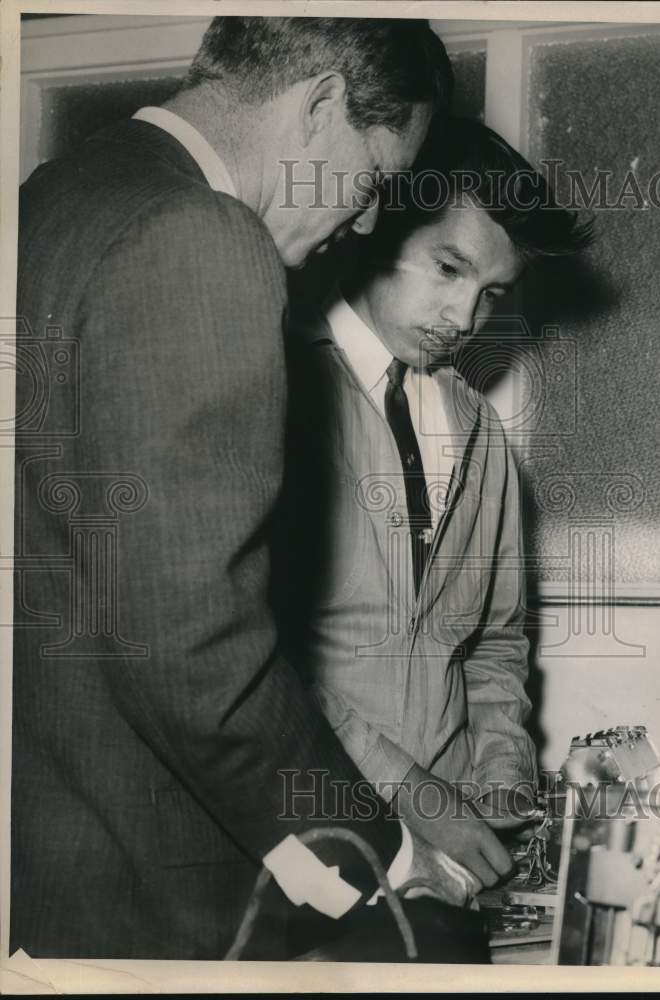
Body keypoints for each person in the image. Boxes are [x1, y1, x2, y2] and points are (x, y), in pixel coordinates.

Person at [11, 16, 477, 962]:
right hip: (146, 895)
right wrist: (379, 851)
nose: (369, 222)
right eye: (376, 180)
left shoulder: (51, 197)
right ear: (318, 105)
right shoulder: (203, 235)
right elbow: (192, 640)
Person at [280, 118, 593, 887]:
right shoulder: (278, 389)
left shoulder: (479, 428)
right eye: (446, 268)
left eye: (489, 293)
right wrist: (406, 789)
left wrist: (500, 771)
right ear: (374, 231)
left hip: (447, 846)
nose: (463, 320)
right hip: (310, 824)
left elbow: (492, 641)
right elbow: (252, 654)